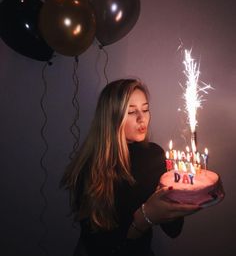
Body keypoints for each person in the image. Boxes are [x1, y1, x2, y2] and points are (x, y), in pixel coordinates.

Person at [61, 78, 200, 256]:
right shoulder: (89, 168)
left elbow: (173, 230)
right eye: (132, 111)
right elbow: (99, 245)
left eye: (145, 109)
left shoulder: (155, 155)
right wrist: (143, 218)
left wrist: (178, 195)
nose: (142, 118)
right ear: (111, 117)